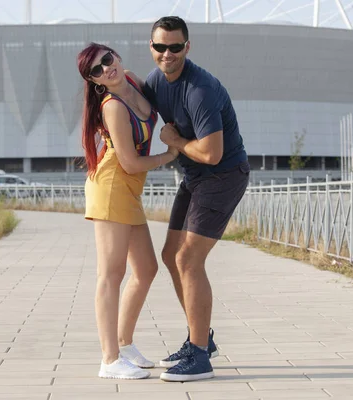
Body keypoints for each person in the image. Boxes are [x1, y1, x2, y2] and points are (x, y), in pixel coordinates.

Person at [143, 16, 251, 382]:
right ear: (152, 48)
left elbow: (212, 153)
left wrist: (174, 143)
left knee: (188, 259)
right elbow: (131, 103)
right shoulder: (157, 81)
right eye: (161, 47)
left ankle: (201, 356)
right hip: (193, 177)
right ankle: (200, 338)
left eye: (175, 47)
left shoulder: (199, 88)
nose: (167, 54)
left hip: (222, 175)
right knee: (170, 255)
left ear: (187, 48)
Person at [76, 42, 179, 380]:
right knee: (111, 274)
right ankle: (109, 360)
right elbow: (131, 163)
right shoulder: (112, 107)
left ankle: (124, 343)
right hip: (111, 188)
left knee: (147, 269)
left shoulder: (134, 80)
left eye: (108, 59)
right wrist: (170, 153)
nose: (107, 68)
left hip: (129, 191)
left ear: (116, 56)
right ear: (95, 81)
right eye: (97, 70)